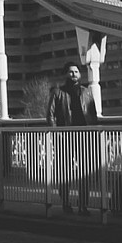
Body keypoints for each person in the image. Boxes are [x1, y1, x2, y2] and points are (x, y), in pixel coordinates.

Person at [48, 62, 97, 215]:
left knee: (85, 172)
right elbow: (50, 115)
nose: (74, 74)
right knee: (65, 171)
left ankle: (83, 205)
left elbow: (93, 114)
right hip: (65, 136)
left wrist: (93, 133)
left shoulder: (86, 92)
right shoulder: (58, 92)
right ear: (65, 74)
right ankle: (65, 202)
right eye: (70, 72)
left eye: (76, 71)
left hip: (84, 136)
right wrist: (57, 133)